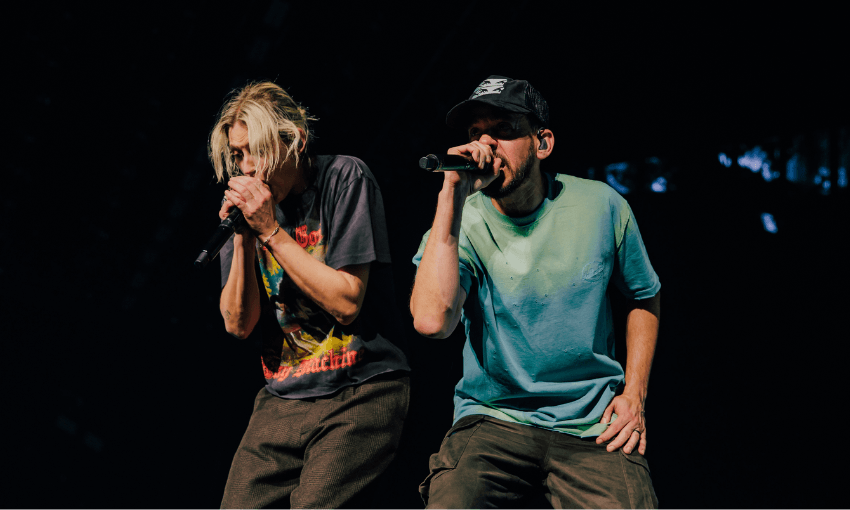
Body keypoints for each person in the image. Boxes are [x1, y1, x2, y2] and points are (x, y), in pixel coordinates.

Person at [410, 75, 661, 508]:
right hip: (494, 417)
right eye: (476, 133)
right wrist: (451, 194)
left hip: (591, 421)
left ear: (542, 143)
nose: (485, 145)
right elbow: (432, 322)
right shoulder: (460, 219)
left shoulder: (601, 205)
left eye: (503, 130)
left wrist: (634, 395)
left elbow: (643, 295)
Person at [209, 81, 410, 508]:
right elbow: (238, 325)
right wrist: (244, 239)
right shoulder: (252, 215)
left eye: (256, 150)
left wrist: (270, 231)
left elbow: (347, 302)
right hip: (282, 396)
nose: (246, 167)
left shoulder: (344, 177)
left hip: (359, 387)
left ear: (296, 141)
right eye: (238, 154)